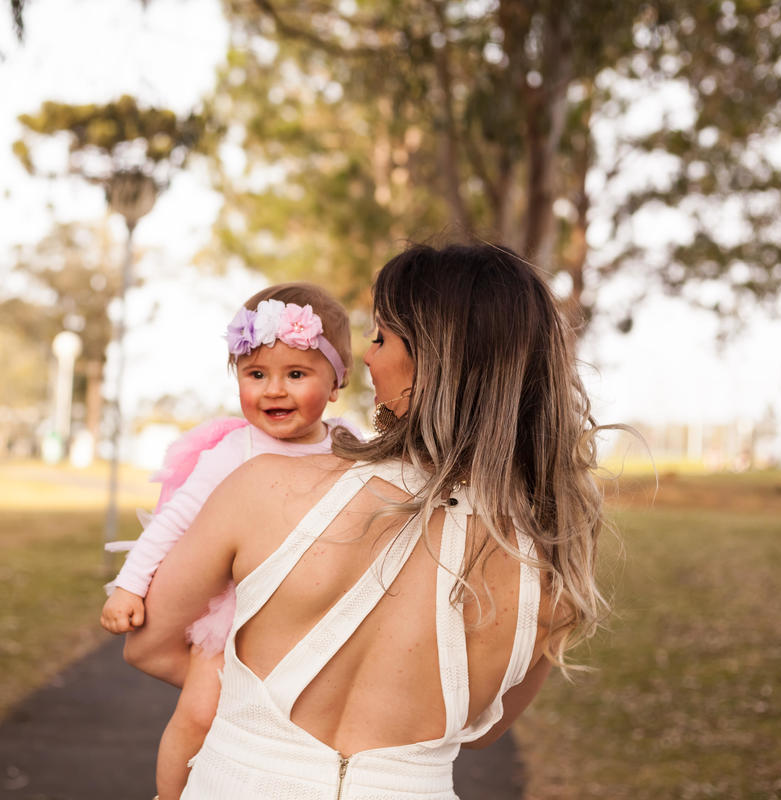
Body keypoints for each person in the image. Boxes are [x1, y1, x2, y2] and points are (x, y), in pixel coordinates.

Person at [125, 242, 611, 799]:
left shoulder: (263, 487)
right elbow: (481, 732)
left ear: (431, 359)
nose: (370, 359)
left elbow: (147, 645)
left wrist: (254, 713)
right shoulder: (549, 570)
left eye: (380, 338)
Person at [100, 282, 359, 800]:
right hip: (235, 612)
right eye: (255, 374)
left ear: (336, 384)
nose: (274, 390)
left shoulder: (352, 447)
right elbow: (175, 522)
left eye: (296, 374)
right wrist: (128, 587)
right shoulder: (234, 451)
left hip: (310, 606)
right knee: (200, 711)